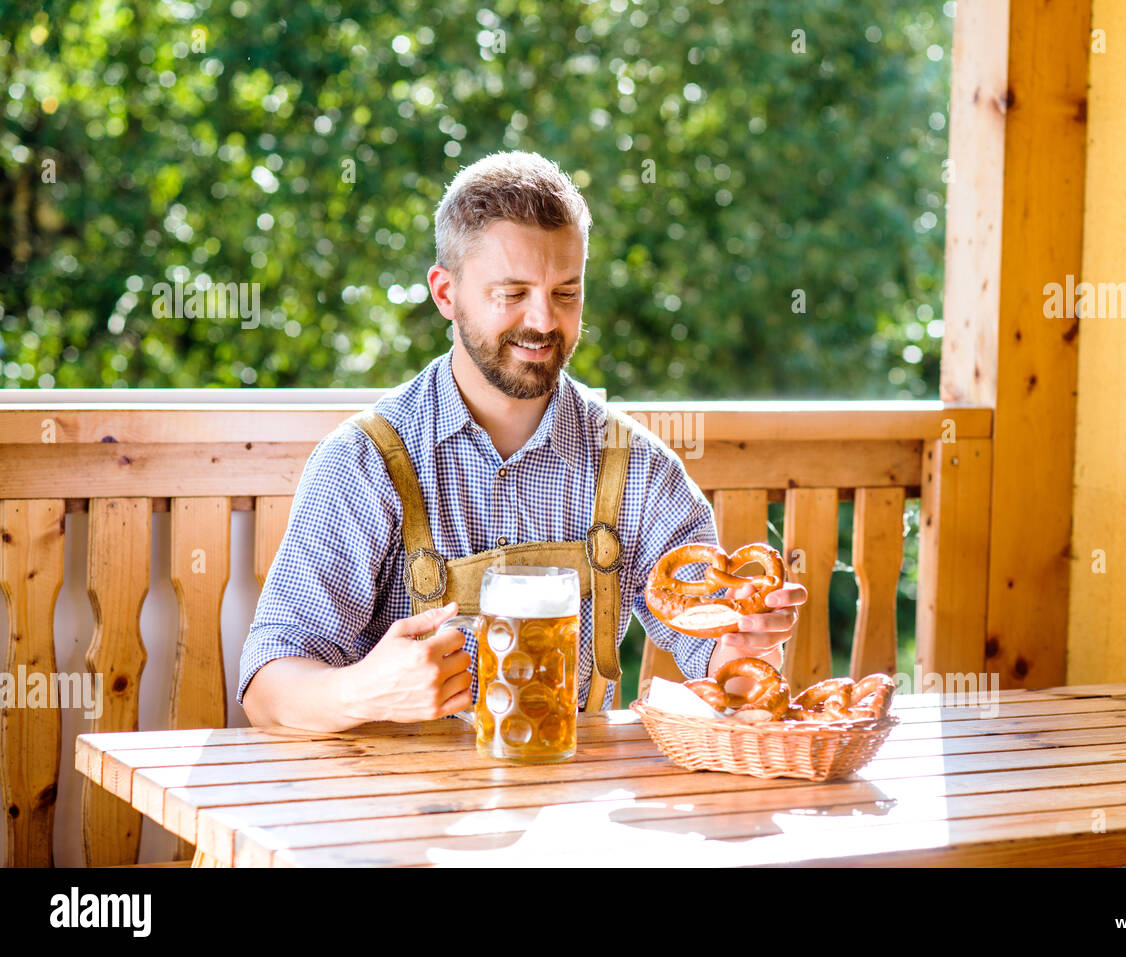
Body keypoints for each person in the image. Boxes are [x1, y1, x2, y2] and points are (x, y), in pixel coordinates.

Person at [239, 151, 807, 732]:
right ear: (445, 294)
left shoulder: (638, 470)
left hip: (569, 801)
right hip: (401, 807)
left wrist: (746, 645)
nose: (543, 322)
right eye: (512, 294)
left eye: (566, 293)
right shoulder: (366, 461)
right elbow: (267, 689)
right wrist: (360, 692)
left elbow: (713, 654)